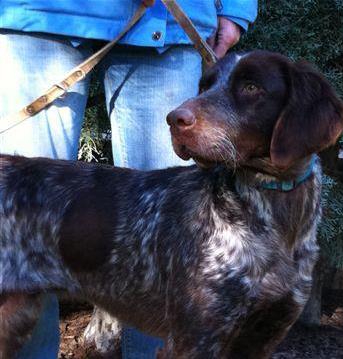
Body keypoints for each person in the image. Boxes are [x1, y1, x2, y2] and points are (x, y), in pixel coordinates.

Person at [0, 0, 257, 357]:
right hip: (41, 14)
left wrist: (236, 7)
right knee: (15, 239)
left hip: (169, 19)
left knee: (173, 250)